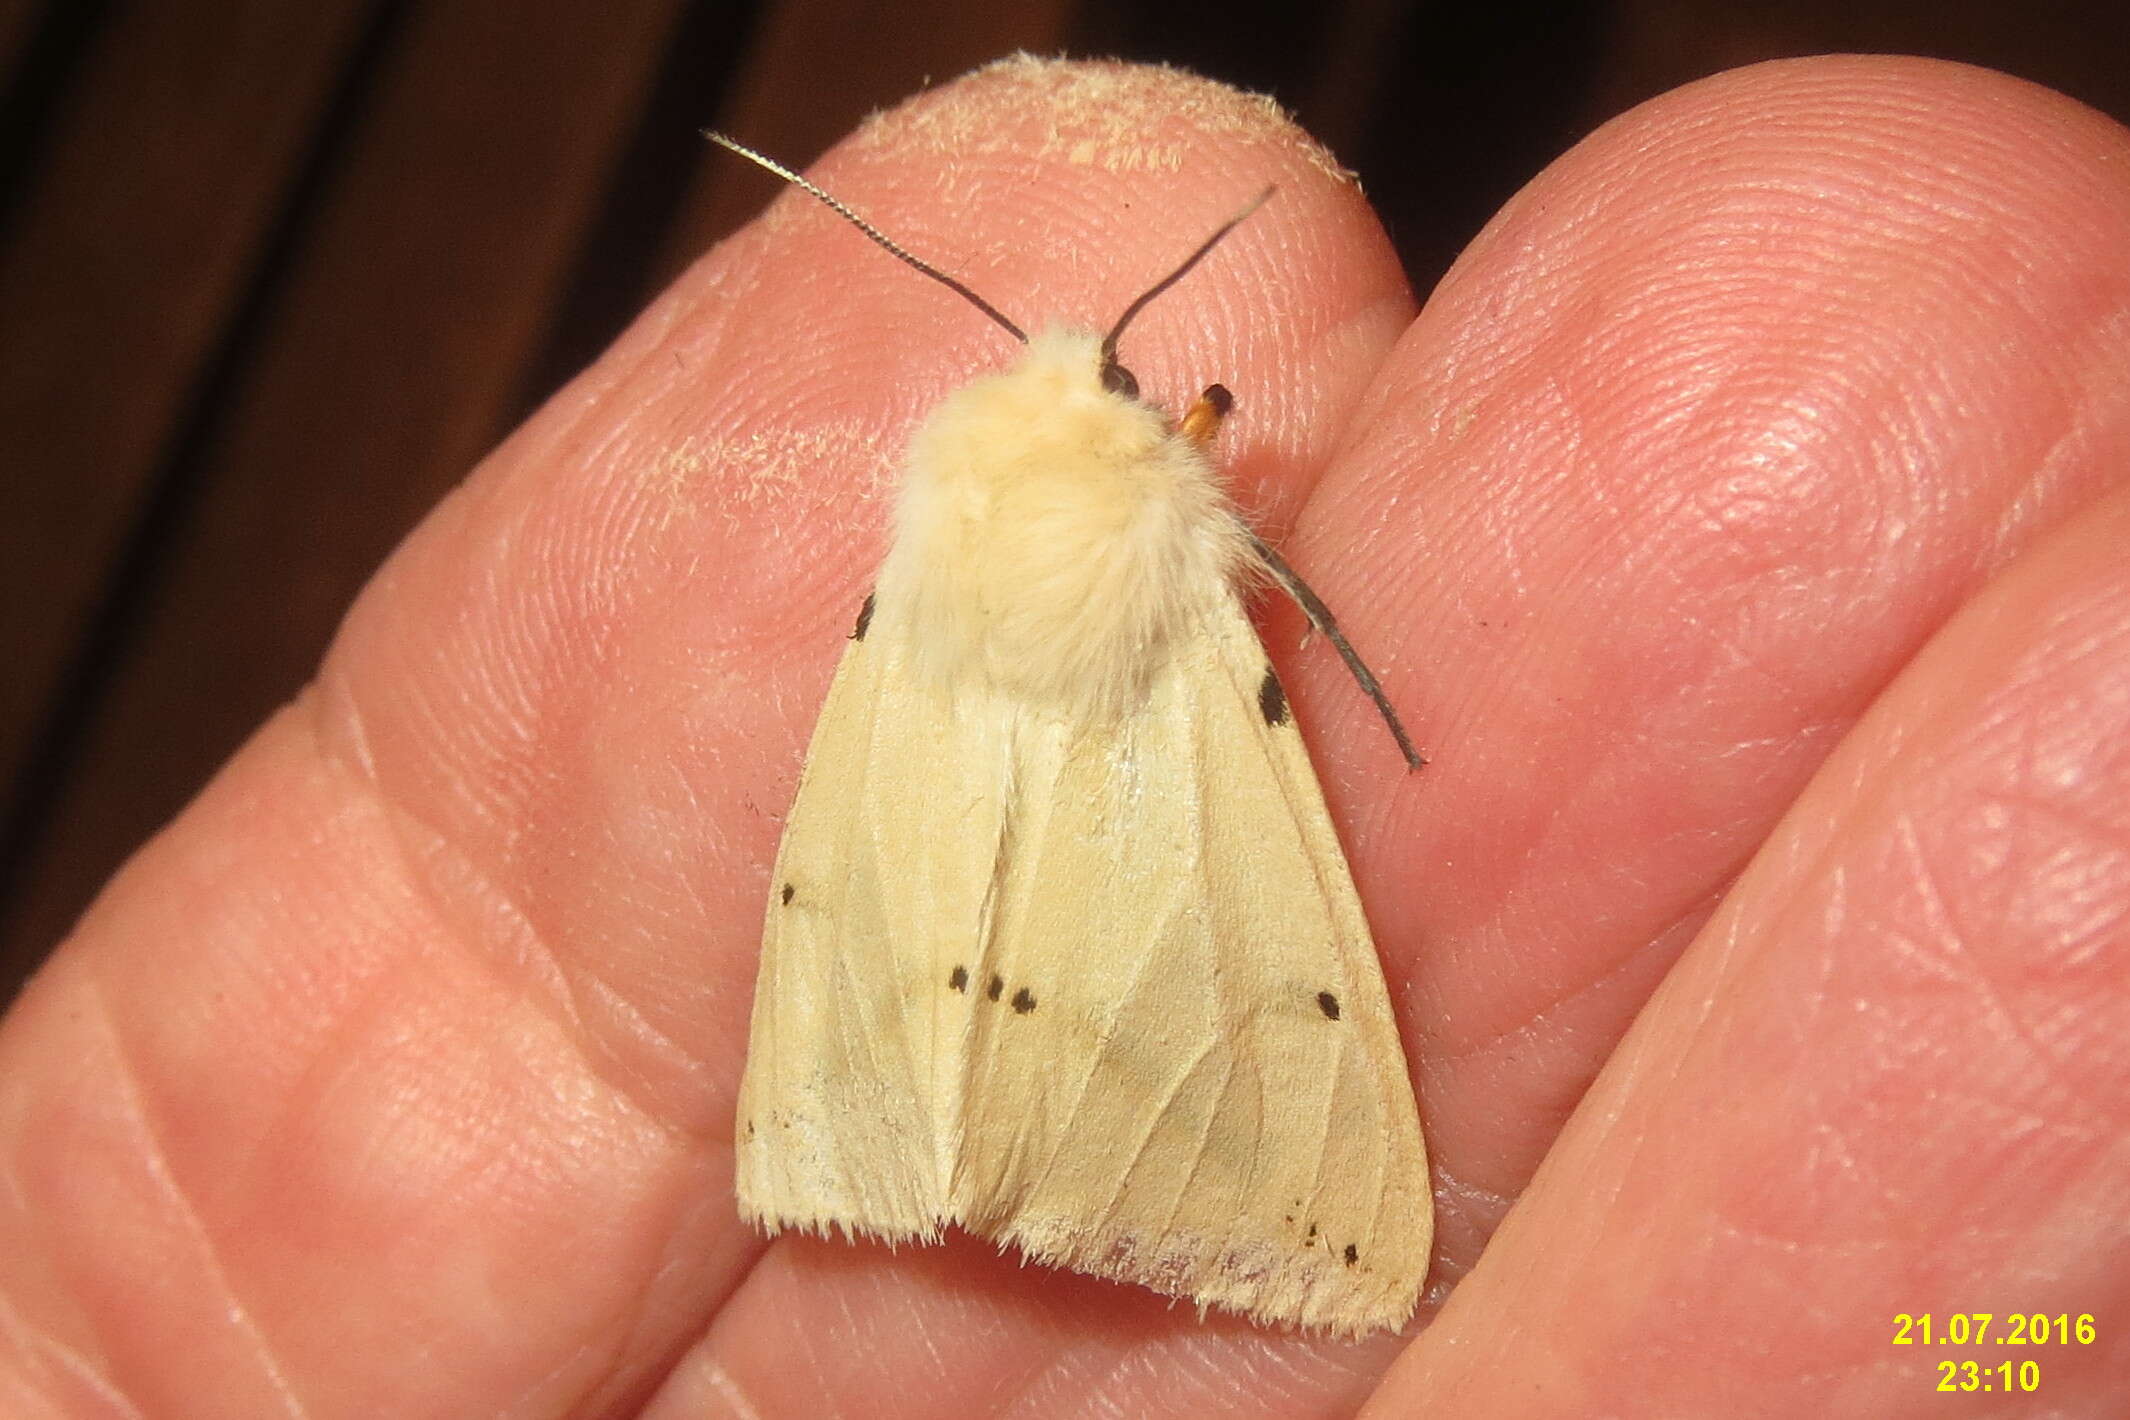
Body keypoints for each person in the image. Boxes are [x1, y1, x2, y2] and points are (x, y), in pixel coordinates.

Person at [4, 52, 2126, 1416]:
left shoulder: (919, 536)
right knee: (1259, 1024)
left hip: (902, 777)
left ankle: (884, 1128)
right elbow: (1254, 565)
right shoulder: (1183, 519)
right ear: (1148, 443)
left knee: (893, 925)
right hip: (1179, 803)